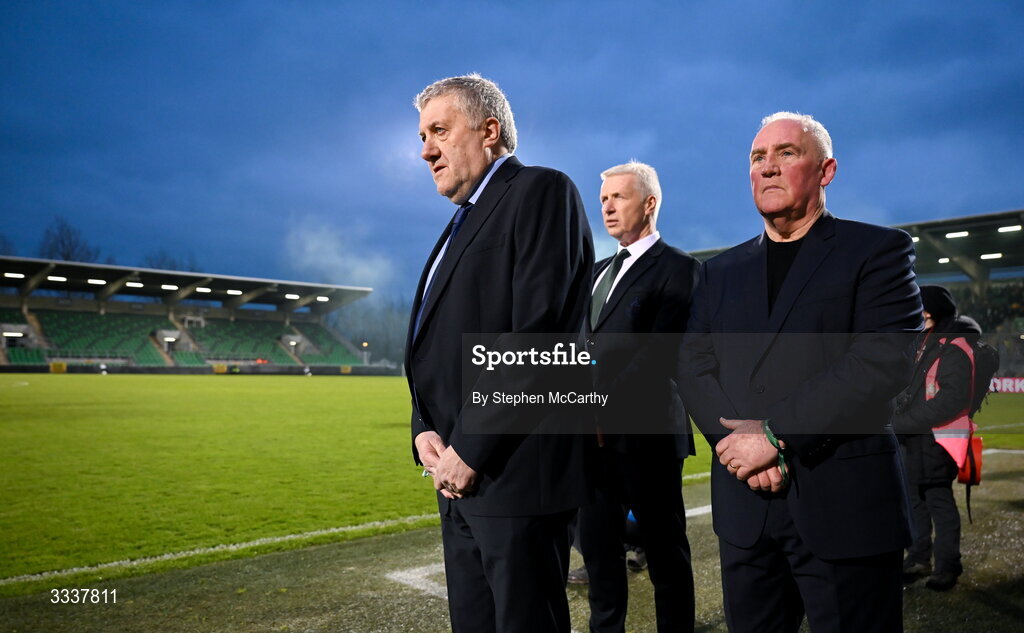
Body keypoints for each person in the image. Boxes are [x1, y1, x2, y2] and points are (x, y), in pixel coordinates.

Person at [679, 112, 923, 632]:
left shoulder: (876, 251)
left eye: (786, 153)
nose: (767, 167)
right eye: (757, 157)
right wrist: (741, 447)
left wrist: (774, 435)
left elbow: (883, 361)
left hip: (845, 505)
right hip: (746, 507)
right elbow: (693, 364)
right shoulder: (719, 272)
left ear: (826, 170)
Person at [406, 74, 595, 633]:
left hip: (513, 473)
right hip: (458, 475)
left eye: (439, 130)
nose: (425, 150)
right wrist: (422, 432)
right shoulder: (456, 224)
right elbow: (430, 345)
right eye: (422, 136)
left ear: (490, 131)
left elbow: (538, 338)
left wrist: (472, 448)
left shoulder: (540, 190)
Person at [575, 161, 698, 632]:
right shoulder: (596, 271)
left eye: (618, 197)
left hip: (646, 436)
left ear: (649, 203)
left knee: (666, 554)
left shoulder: (681, 269)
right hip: (590, 439)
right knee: (600, 555)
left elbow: (659, 355)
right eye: (603, 198)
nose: (607, 206)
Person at [894, 285, 977, 591]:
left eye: (922, 308)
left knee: (939, 503)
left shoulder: (954, 344)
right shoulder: (923, 341)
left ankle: (947, 566)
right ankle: (918, 557)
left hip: (937, 440)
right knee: (915, 502)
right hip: (914, 439)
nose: (918, 313)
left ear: (933, 311)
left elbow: (951, 399)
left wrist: (905, 421)